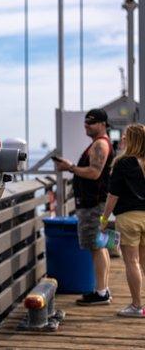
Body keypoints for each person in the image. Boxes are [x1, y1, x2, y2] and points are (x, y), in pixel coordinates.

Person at [54, 108, 114, 305]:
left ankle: (101, 292)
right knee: (99, 245)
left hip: (93, 204)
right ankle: (102, 289)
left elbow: (95, 173)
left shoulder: (100, 145)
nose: (87, 125)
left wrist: (70, 167)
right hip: (94, 203)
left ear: (103, 124)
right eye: (85, 122)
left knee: (95, 246)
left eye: (92, 122)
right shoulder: (98, 144)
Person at [100, 124, 145, 317]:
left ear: (133, 140)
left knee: (132, 262)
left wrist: (103, 219)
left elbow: (113, 196)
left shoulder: (122, 163)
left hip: (128, 218)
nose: (123, 139)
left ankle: (136, 306)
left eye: (126, 137)